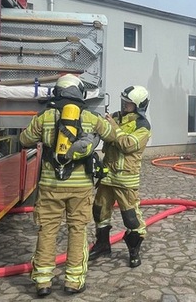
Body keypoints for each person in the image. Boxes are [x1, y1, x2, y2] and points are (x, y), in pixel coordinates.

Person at [19, 74, 114, 296]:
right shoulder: (90, 116)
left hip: (50, 186)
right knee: (77, 230)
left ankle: (42, 282)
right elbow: (112, 135)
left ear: (58, 92)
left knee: (47, 231)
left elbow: (24, 140)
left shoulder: (45, 117)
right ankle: (73, 281)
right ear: (79, 92)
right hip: (80, 188)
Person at [89, 85, 152, 268]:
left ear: (139, 106)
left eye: (129, 104)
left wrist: (114, 128)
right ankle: (102, 245)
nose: (124, 106)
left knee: (131, 217)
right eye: (124, 102)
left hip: (126, 178)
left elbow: (127, 145)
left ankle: (134, 251)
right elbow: (104, 132)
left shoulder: (142, 126)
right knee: (99, 211)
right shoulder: (115, 116)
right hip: (107, 175)